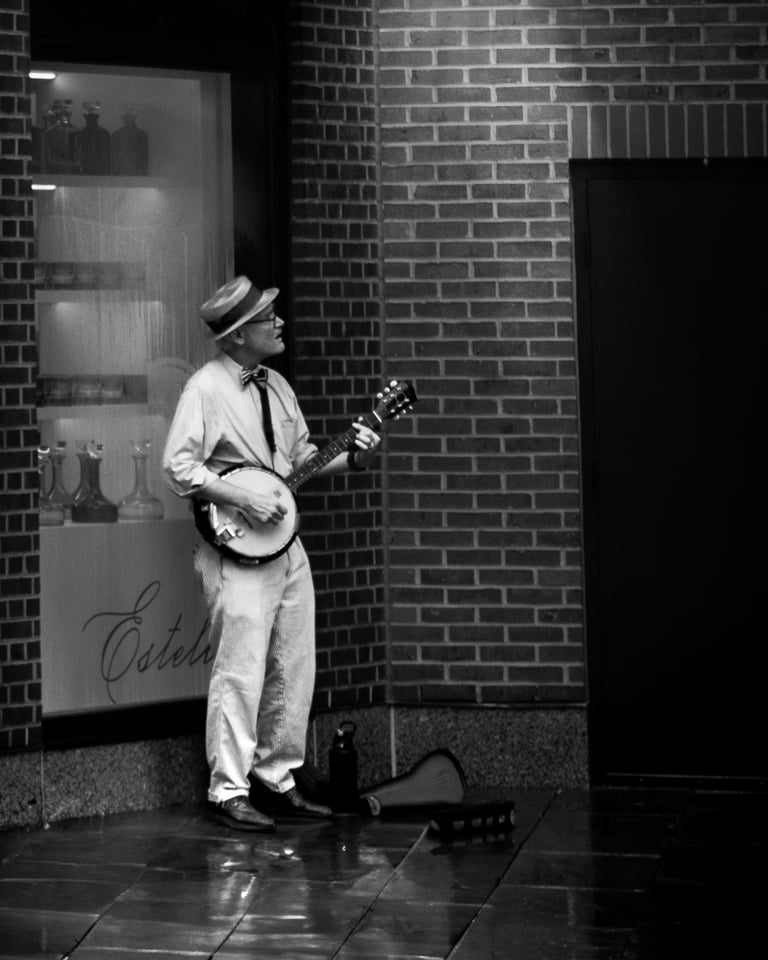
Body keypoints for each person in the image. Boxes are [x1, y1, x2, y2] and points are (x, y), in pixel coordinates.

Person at [162, 276, 381, 831]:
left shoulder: (278, 386)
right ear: (237, 337)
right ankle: (228, 789)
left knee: (293, 663)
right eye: (268, 318)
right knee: (239, 667)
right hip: (235, 548)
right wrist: (243, 499)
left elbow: (301, 458)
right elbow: (178, 467)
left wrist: (352, 456)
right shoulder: (206, 389)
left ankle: (276, 779)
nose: (279, 322)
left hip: (286, 547)